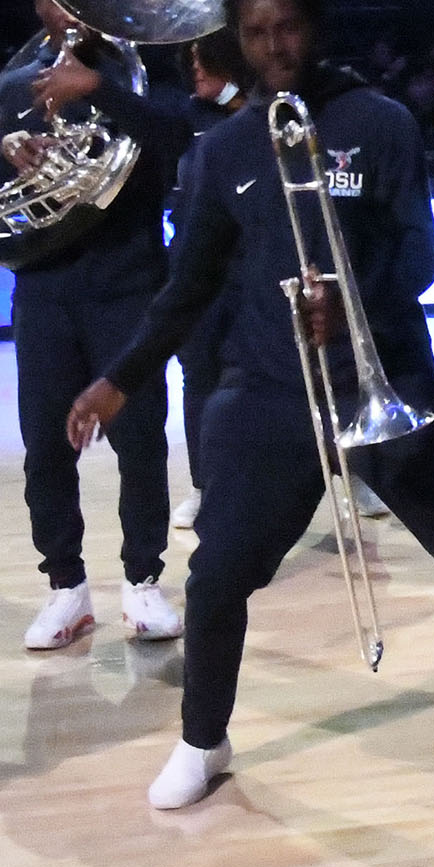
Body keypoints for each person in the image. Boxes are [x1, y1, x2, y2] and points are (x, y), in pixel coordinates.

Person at [67, 0, 434, 810]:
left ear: (315, 29)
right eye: (255, 33)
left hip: (382, 376)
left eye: (287, 28)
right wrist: (117, 380)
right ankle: (204, 741)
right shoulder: (221, 150)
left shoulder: (377, 123)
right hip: (271, 393)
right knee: (218, 577)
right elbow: (188, 286)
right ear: (236, 45)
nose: (274, 46)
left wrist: (351, 304)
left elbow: (421, 256)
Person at [0, 0, 196, 651]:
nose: (67, 7)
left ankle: (143, 580)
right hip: (44, 285)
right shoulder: (18, 82)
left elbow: (176, 136)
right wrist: (7, 156)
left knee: (140, 440)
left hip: (128, 283)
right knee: (45, 445)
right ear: (37, 8)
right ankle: (66, 588)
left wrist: (94, 88)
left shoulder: (146, 67)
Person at [168, 29, 250, 533]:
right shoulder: (184, 119)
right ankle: (204, 487)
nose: (196, 71)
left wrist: (239, 101)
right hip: (197, 270)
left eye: (205, 61)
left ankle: (346, 474)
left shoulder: (263, 113)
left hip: (255, 268)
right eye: (190, 62)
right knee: (197, 377)